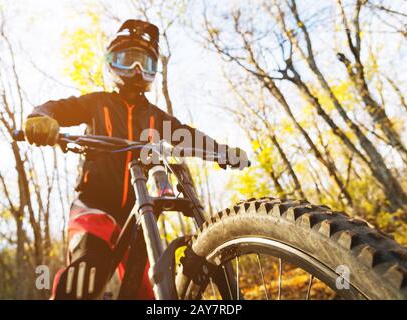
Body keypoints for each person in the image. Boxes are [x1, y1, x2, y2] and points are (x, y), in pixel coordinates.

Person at [24, 19, 249, 300]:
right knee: (85, 276)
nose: (136, 69)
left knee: (146, 289)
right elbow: (58, 108)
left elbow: (185, 136)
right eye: (128, 60)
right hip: (93, 206)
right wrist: (40, 117)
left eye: (144, 63)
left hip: (139, 212)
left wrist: (221, 150)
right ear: (112, 63)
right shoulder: (97, 103)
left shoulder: (155, 116)